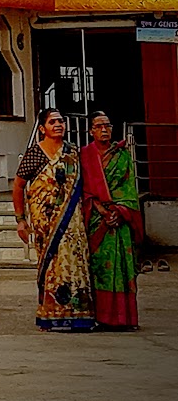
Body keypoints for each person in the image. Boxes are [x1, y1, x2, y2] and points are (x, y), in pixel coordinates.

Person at [13, 108, 95, 331]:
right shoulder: (35, 154)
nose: (58, 125)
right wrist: (21, 219)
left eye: (61, 121)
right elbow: (19, 185)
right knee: (50, 266)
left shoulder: (73, 153)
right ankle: (50, 314)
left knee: (75, 262)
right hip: (44, 222)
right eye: (53, 122)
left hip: (72, 220)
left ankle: (79, 314)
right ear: (42, 129)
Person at [80, 111, 143, 329]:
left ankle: (124, 318)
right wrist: (101, 209)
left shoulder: (122, 155)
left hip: (120, 219)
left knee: (122, 267)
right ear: (91, 131)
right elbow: (83, 189)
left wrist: (119, 210)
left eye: (107, 125)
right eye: (99, 126)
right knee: (99, 268)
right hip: (97, 219)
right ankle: (101, 317)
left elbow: (129, 188)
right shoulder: (84, 156)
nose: (104, 130)